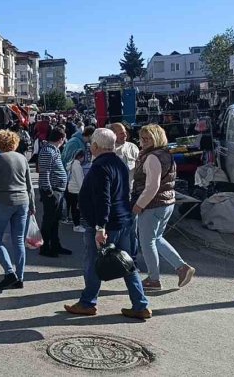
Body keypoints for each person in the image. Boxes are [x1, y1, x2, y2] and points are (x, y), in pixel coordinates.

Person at [64, 128, 151, 320]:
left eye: (91, 145)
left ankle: (88, 303)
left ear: (95, 146)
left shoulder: (99, 167)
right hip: (123, 220)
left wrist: (99, 227)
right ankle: (140, 305)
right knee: (128, 264)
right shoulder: (118, 163)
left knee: (94, 263)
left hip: (107, 223)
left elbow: (103, 199)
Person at [133, 124, 196, 290]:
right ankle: (182, 267)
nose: (144, 141)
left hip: (154, 204)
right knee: (156, 238)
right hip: (166, 202)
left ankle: (154, 279)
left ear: (157, 138)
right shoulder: (166, 154)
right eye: (142, 138)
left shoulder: (153, 157)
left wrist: (139, 205)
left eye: (148, 138)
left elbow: (152, 186)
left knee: (147, 243)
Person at [0, 130, 35, 290]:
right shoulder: (22, 158)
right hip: (23, 201)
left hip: (4, 200)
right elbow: (29, 184)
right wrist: (32, 205)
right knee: (18, 240)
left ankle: (9, 272)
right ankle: (19, 277)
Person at [37, 128, 70, 257]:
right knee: (49, 219)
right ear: (61, 139)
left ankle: (55, 245)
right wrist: (49, 191)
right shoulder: (47, 151)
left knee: (55, 219)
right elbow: (45, 172)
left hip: (58, 189)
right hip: (53, 190)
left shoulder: (53, 150)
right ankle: (45, 247)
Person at [66, 150, 85, 234]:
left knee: (73, 208)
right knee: (76, 209)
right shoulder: (77, 166)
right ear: (81, 157)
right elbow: (79, 180)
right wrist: (83, 192)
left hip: (71, 188)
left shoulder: (72, 164)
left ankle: (75, 223)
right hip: (76, 190)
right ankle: (76, 226)